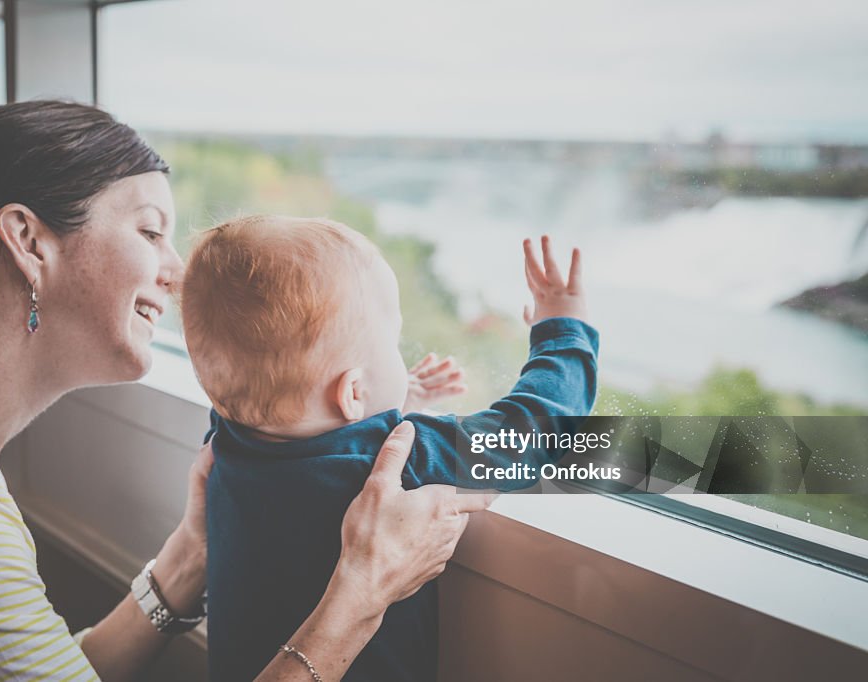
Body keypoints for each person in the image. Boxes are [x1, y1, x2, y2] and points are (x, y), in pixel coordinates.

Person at [0, 100, 496, 682]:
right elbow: (561, 448)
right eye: (151, 231)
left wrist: (189, 559)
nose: (178, 272)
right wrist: (361, 595)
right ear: (29, 240)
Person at [180, 216, 599, 681]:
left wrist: (381, 404)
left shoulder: (225, 442)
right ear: (352, 394)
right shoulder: (398, 461)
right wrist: (563, 330)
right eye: (393, 344)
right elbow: (533, 428)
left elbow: (304, 430)